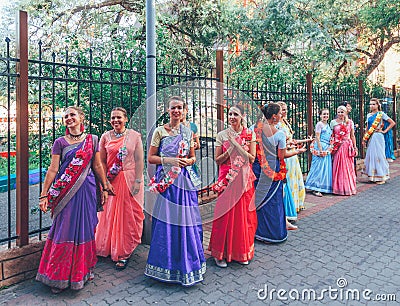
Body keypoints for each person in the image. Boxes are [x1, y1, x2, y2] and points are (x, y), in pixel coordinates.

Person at [36, 106, 111, 293]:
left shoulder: (92, 140)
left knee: (86, 229)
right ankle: (58, 277)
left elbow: (97, 165)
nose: (69, 118)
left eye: (72, 115)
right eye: (66, 116)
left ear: (81, 118)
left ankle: (82, 271)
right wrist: (44, 194)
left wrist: (106, 185)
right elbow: (53, 169)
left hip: (87, 191)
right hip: (66, 193)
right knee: (64, 230)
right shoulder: (60, 142)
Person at [145, 96, 206, 286]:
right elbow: (151, 158)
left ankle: (188, 265)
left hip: (185, 183)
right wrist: (170, 161)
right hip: (168, 183)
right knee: (168, 222)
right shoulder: (160, 131)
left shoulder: (188, 132)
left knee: (188, 221)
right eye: (173, 108)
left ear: (184, 110)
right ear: (168, 110)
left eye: (179, 108)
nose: (176, 111)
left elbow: (193, 158)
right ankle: (166, 266)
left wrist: (188, 162)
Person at [208, 104, 258, 268]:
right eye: (229, 114)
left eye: (235, 114)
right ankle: (220, 253)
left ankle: (241, 251)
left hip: (243, 179)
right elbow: (217, 160)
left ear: (242, 116)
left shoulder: (249, 134)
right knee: (225, 215)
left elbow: (252, 159)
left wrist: (236, 145)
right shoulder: (222, 135)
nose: (232, 117)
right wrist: (229, 150)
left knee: (244, 216)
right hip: (227, 178)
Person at [95, 107, 145, 270]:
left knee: (127, 216)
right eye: (112, 118)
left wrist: (137, 181)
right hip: (111, 180)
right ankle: (107, 247)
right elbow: (101, 160)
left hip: (130, 179)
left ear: (126, 119)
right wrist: (104, 182)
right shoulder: (105, 137)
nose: (115, 120)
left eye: (119, 118)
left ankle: (124, 252)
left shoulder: (134, 136)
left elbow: (139, 160)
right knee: (108, 214)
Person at [253, 103, 306, 244]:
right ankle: (271, 234)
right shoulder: (279, 134)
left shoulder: (255, 129)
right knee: (272, 201)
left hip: (258, 167)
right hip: (272, 170)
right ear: (275, 116)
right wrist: (297, 151)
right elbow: (281, 156)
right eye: (280, 114)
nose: (282, 116)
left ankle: (256, 231)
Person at [276, 101, 310, 213]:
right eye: (282, 110)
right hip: (286, 154)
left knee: (295, 178)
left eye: (286, 109)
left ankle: (295, 204)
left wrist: (305, 140)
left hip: (293, 153)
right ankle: (287, 207)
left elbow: (291, 140)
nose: (285, 112)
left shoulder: (285, 122)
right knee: (288, 179)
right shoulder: (277, 125)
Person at [362, 98, 396, 184]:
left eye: (374, 104)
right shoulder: (369, 115)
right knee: (371, 155)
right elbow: (367, 127)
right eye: (370, 104)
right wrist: (364, 138)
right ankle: (373, 176)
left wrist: (384, 131)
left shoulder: (381, 114)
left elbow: (392, 123)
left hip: (378, 136)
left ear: (378, 105)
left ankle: (381, 176)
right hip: (371, 137)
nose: (372, 106)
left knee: (379, 155)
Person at [305, 109, 333, 196]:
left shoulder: (327, 125)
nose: (326, 116)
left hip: (327, 147)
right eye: (324, 114)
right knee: (318, 168)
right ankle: (315, 187)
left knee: (324, 168)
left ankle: (322, 186)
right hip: (320, 146)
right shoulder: (319, 124)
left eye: (327, 114)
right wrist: (320, 149)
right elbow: (317, 137)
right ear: (320, 115)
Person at [330, 105, 357, 195]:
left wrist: (354, 147)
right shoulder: (333, 122)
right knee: (338, 165)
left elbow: (352, 135)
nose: (340, 114)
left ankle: (348, 187)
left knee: (347, 166)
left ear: (346, 112)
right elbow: (331, 136)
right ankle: (338, 187)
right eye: (339, 112)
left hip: (347, 146)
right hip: (338, 146)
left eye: (342, 112)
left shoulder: (350, 122)